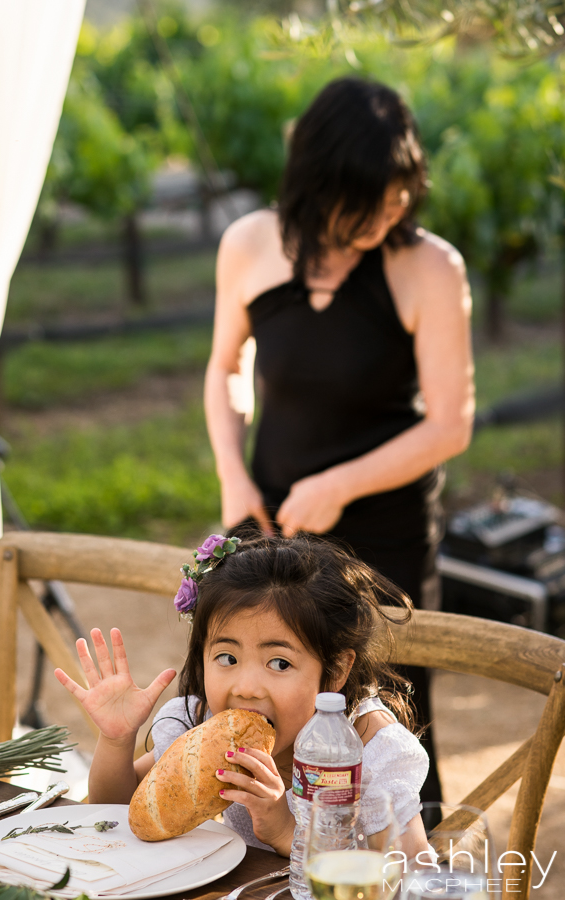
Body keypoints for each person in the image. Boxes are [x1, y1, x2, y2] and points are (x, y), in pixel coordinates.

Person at [204, 77, 475, 805]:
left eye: (399, 196)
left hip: (382, 542)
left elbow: (452, 423)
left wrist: (340, 485)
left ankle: (403, 865)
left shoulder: (430, 268)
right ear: (319, 183)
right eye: (368, 200)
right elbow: (226, 368)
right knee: (257, 704)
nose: (388, 214)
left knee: (386, 721)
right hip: (270, 526)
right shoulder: (250, 243)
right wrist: (234, 478)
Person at [55, 532, 430, 858]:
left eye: (279, 663)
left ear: (335, 672)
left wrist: (286, 831)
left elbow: (407, 873)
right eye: (227, 657)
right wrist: (117, 741)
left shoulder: (371, 753)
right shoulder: (202, 722)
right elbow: (120, 811)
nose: (246, 687)